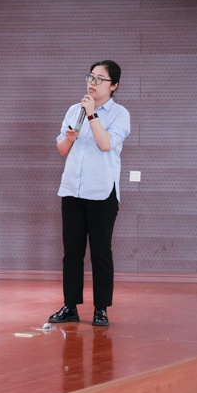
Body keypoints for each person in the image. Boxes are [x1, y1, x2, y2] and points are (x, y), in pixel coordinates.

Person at [48, 60, 131, 327]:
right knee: (72, 252)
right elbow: (62, 149)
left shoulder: (120, 114)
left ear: (114, 85)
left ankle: (101, 309)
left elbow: (106, 144)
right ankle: (70, 306)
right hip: (72, 189)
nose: (92, 83)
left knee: (100, 253)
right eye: (90, 77)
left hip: (102, 192)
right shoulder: (75, 110)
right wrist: (70, 137)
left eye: (99, 79)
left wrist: (93, 115)